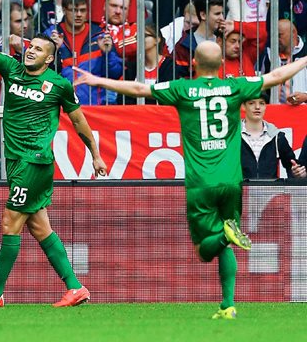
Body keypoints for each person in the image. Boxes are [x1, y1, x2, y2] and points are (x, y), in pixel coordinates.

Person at [73, 41, 307, 319]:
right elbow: (276, 76)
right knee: (226, 242)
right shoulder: (235, 87)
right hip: (232, 181)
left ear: (193, 63)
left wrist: (96, 79)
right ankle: (228, 304)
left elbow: (138, 89)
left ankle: (224, 237)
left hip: (200, 182)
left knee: (204, 250)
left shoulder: (183, 89)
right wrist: (305, 60)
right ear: (221, 65)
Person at [0, 0, 107, 307]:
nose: (32, 51)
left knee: (10, 221)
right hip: (15, 160)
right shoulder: (12, 70)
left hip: (33, 161)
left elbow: (79, 122)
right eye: (30, 46)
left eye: (39, 49)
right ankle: (76, 287)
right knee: (38, 225)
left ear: (49, 59)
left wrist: (96, 154)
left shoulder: (58, 84)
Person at [44, 0, 123, 105]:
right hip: (61, 108)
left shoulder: (100, 36)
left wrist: (108, 54)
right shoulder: (51, 35)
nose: (79, 14)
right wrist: (54, 51)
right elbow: (40, 72)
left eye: (83, 10)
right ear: (64, 10)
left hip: (95, 109)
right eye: (74, 10)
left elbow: (114, 74)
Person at [241, 94, 305, 179]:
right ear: (243, 106)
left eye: (261, 103)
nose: (257, 107)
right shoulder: (233, 136)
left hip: (269, 191)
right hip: (239, 190)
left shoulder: (277, 136)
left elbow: (291, 165)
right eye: (252, 103)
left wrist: (296, 173)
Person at [174, 0, 225, 78]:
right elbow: (180, 80)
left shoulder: (225, 40)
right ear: (203, 15)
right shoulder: (184, 45)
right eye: (217, 14)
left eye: (222, 13)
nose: (222, 18)